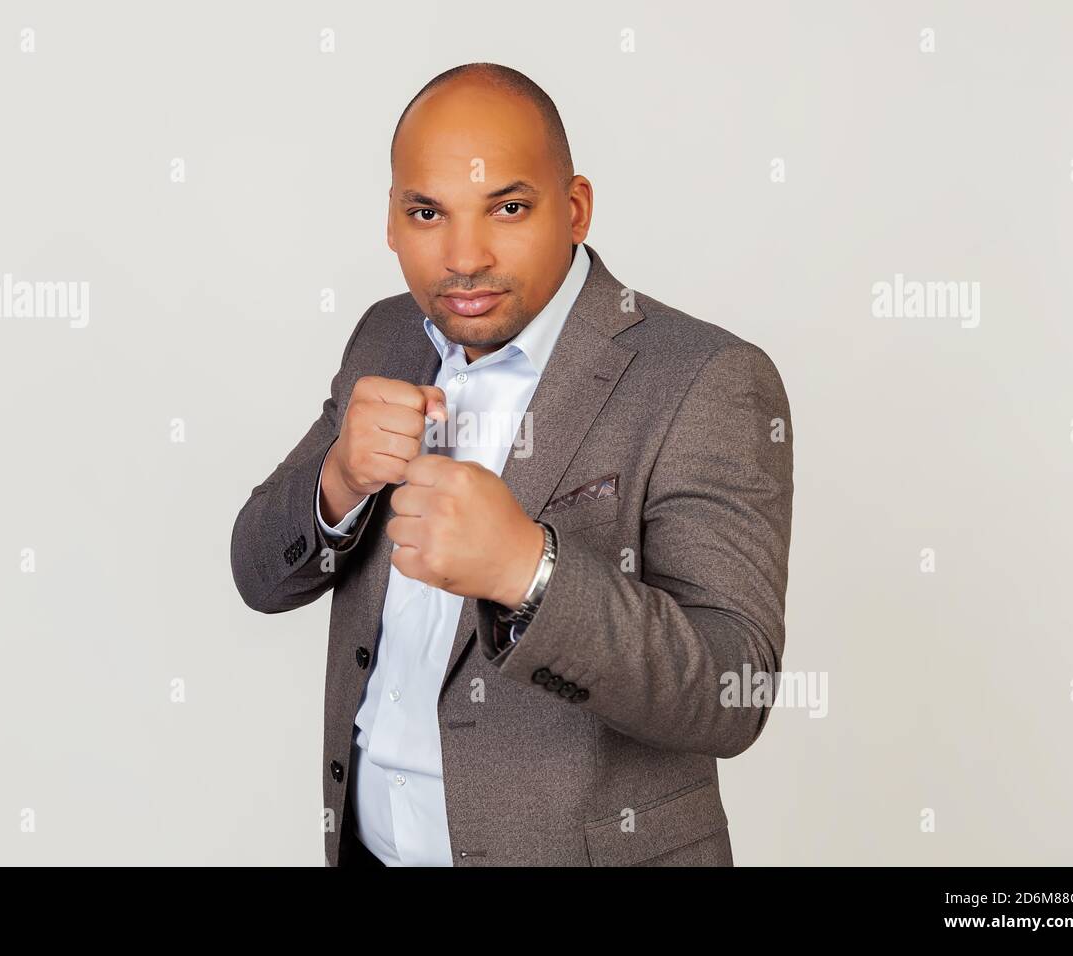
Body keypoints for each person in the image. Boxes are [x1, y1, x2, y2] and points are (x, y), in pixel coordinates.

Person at [231, 62, 794, 867]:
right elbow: (258, 575)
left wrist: (531, 573)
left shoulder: (705, 378)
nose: (464, 257)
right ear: (391, 221)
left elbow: (733, 692)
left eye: (508, 207)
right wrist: (339, 482)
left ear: (575, 210)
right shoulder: (383, 338)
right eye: (428, 212)